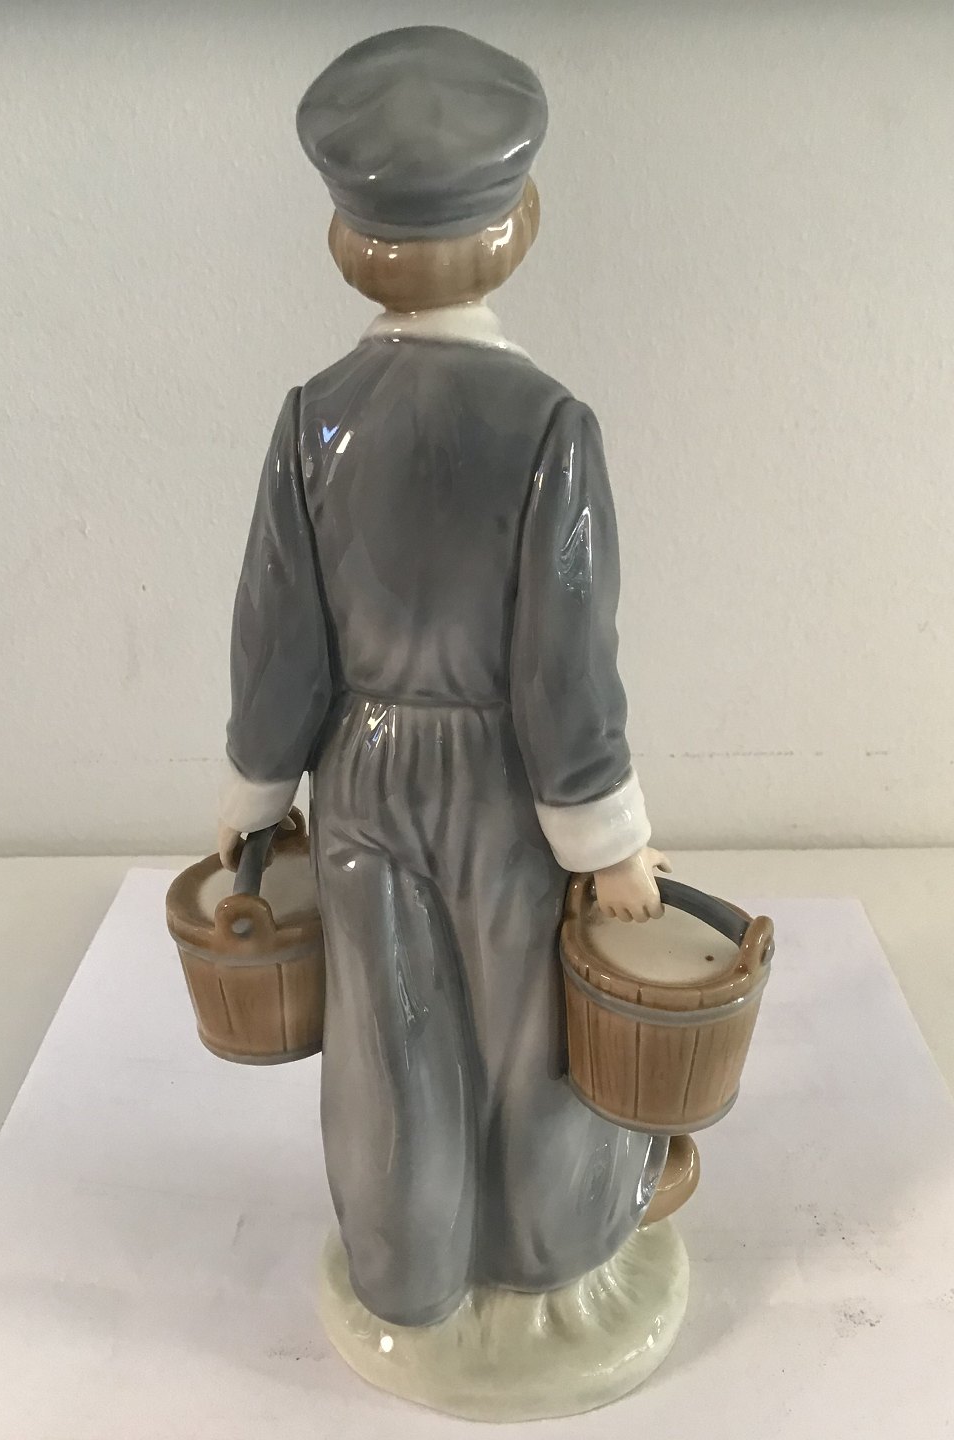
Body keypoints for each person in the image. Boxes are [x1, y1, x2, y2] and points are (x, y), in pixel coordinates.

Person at [217, 25, 671, 1328]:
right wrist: (607, 841)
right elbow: (565, 660)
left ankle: (407, 1271)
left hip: (361, 780)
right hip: (507, 784)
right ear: (518, 225)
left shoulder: (313, 420)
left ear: (346, 242)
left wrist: (256, 798)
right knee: (531, 1028)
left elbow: (277, 639)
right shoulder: (550, 427)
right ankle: (541, 1254)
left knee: (389, 1035)